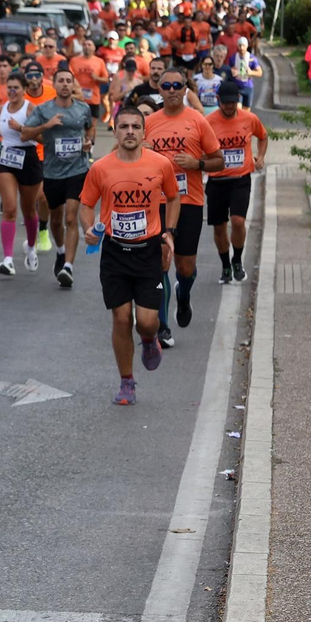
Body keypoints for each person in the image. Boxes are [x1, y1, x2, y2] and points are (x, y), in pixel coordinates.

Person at [80, 108, 179, 406]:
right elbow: (86, 205)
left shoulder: (161, 164)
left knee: (147, 322)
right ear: (115, 131)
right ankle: (127, 382)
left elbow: (173, 197)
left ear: (145, 132)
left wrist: (169, 232)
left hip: (148, 250)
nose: (130, 131)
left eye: (136, 126)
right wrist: (89, 229)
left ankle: (149, 341)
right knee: (121, 318)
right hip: (114, 252)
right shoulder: (101, 168)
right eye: (124, 126)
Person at [144, 68, 222, 336]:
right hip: (156, 202)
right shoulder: (150, 122)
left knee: (184, 267)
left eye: (178, 85)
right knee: (161, 261)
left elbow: (219, 160)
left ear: (185, 89)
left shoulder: (198, 120)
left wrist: (197, 163)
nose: (173, 89)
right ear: (160, 90)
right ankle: (163, 326)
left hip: (189, 201)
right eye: (167, 85)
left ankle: (184, 293)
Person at [22, 68, 95, 287]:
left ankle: (68, 267)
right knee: (56, 219)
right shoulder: (44, 109)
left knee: (71, 218)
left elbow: (90, 130)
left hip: (78, 170)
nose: (65, 84)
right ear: (54, 84)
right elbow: (25, 133)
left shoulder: (83, 108)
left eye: (68, 81)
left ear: (73, 85)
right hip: (53, 172)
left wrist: (89, 143)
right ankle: (61, 252)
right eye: (60, 81)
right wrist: (47, 125)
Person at [205, 81, 267, 284]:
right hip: (217, 180)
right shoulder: (209, 122)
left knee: (238, 221)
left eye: (233, 103)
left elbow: (263, 136)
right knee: (219, 227)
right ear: (218, 101)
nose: (229, 107)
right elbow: (198, 146)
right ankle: (225, 265)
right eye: (225, 103)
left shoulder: (249, 118)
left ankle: (237, 260)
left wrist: (260, 156)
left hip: (240, 179)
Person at [0, 73, 44, 275]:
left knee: (29, 210)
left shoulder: (30, 109)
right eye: (9, 88)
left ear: (24, 89)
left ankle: (31, 247)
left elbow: (42, 137)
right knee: (10, 208)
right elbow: (1, 130)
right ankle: (7, 259)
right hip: (7, 158)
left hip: (28, 158)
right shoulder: (2, 108)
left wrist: (22, 128)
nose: (12, 91)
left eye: (16, 88)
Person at [227, 37, 261, 109]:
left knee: (246, 110)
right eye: (240, 45)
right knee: (238, 109)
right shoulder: (233, 58)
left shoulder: (252, 58)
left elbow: (260, 73)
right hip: (236, 87)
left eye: (243, 45)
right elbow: (227, 70)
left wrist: (251, 72)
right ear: (237, 46)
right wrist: (231, 71)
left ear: (247, 46)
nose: (241, 48)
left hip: (248, 87)